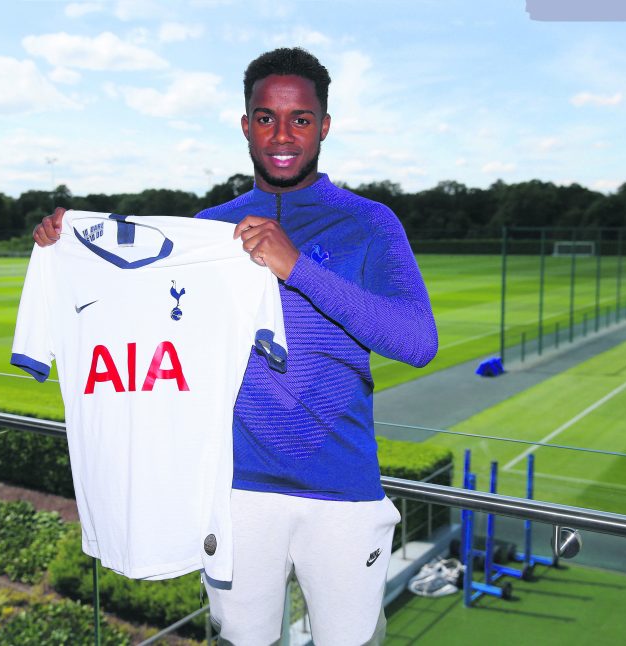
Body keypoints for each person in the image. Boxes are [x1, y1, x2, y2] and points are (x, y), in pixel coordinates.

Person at [33, 47, 438, 646]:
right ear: (245, 124)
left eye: (299, 118)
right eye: (265, 117)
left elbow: (417, 341)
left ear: (323, 126)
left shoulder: (369, 223)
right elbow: (149, 314)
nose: (282, 134)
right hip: (233, 491)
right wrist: (69, 250)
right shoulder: (209, 227)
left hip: (344, 492)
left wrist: (296, 266)